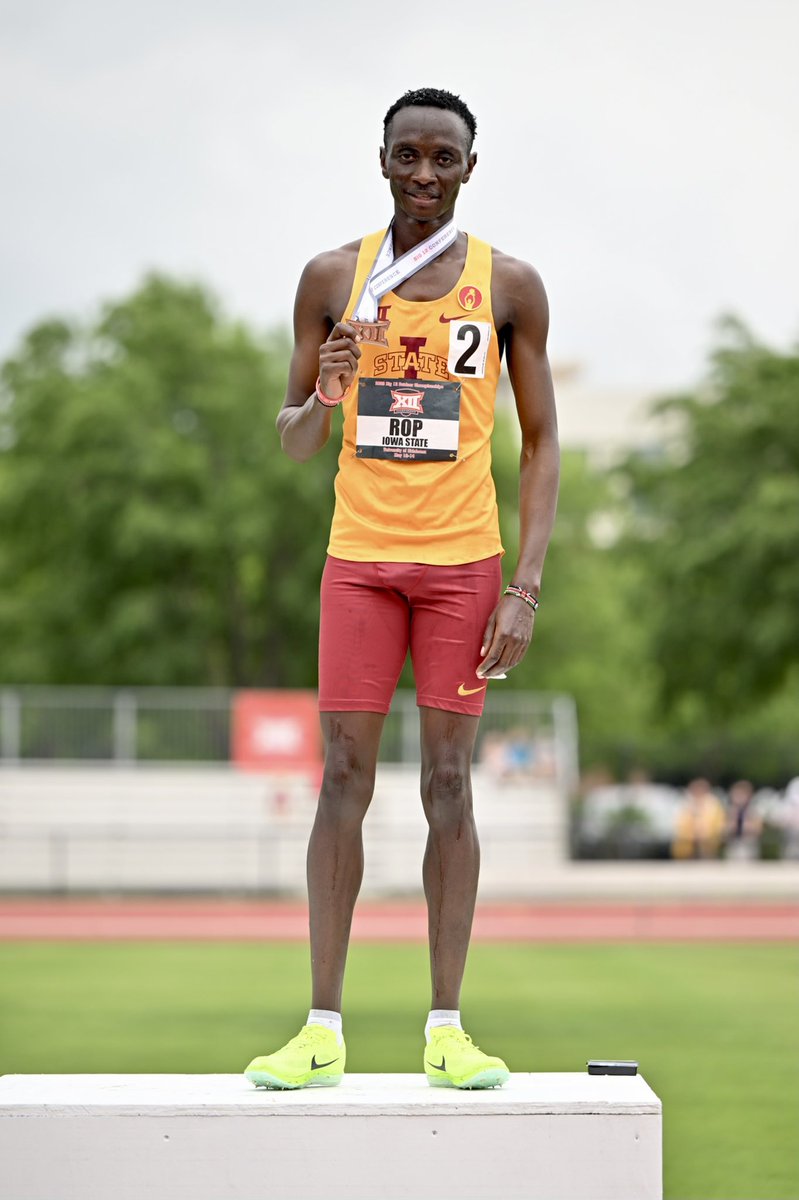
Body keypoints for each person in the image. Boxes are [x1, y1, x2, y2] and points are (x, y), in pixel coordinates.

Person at [245, 87, 559, 1091]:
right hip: (361, 564)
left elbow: (541, 443)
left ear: (470, 168)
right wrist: (326, 390)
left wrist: (524, 586)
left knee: (448, 786)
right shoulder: (331, 278)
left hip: (463, 568)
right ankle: (320, 1030)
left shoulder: (509, 287)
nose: (425, 173)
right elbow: (295, 443)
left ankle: (447, 1029)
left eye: (443, 157)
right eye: (408, 155)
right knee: (342, 777)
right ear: (380, 160)